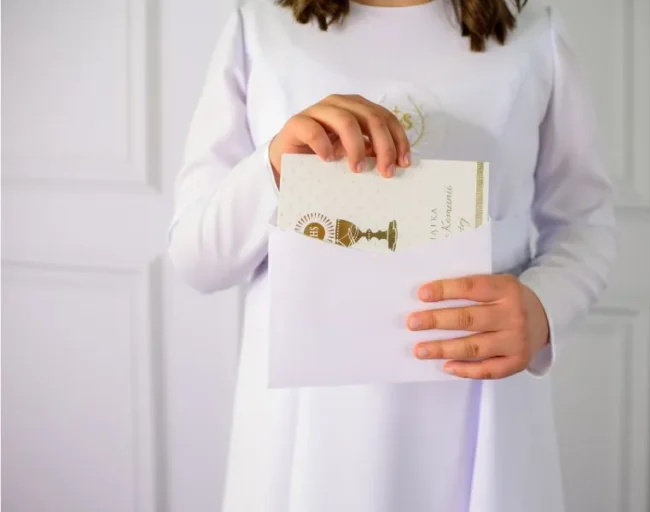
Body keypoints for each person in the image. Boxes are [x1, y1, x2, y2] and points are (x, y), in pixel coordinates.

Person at [168, 0, 616, 510]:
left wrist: (543, 309)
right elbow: (196, 257)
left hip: (479, 409)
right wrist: (274, 165)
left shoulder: (534, 29)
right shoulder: (260, 29)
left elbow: (586, 224)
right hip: (307, 430)